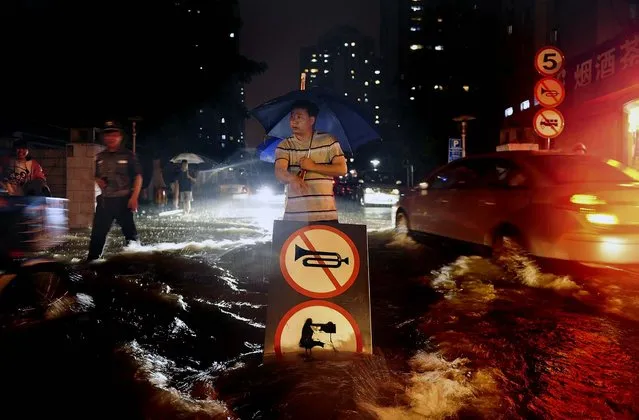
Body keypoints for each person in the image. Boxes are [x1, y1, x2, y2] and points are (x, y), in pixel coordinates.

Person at [274, 100, 348, 222]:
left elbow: (341, 169)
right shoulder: (284, 145)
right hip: (294, 217)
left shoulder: (329, 141)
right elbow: (279, 171)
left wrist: (313, 166)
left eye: (299, 117)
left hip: (325, 215)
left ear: (311, 120)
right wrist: (293, 178)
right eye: (292, 117)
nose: (294, 121)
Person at [86, 121, 143, 262]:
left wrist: (134, 198)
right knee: (97, 237)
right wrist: (97, 180)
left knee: (131, 237)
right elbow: (95, 175)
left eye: (114, 134)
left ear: (120, 137)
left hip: (123, 201)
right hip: (105, 202)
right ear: (104, 137)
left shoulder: (128, 155)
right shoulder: (100, 157)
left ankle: (137, 263)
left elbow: (138, 176)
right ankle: (91, 265)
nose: (111, 137)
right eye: (108, 134)